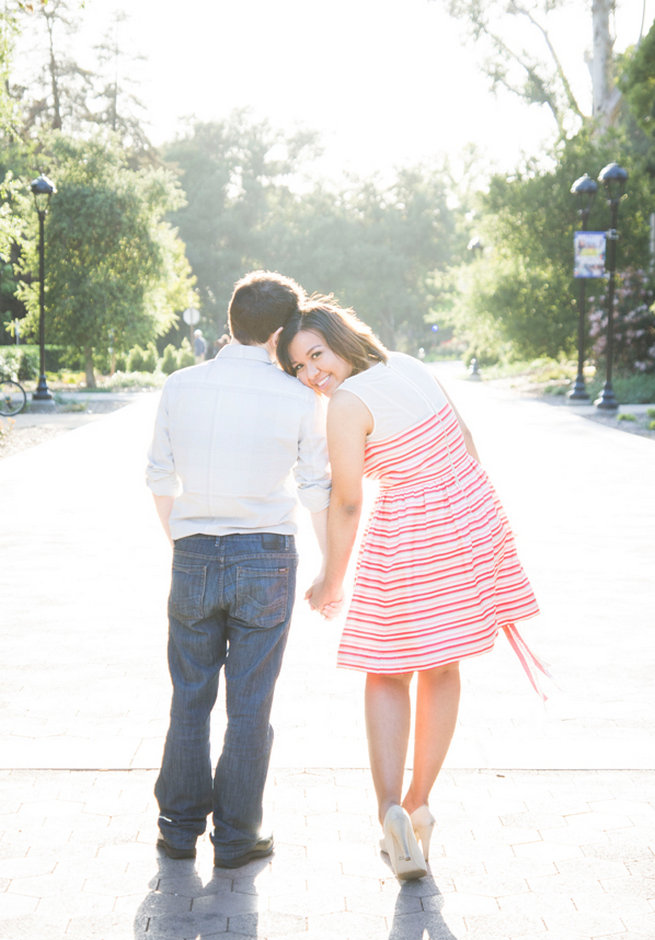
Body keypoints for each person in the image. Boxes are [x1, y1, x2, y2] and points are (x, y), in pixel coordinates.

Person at [277, 299, 544, 881]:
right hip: (467, 518)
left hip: (408, 533)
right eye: (299, 368)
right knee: (443, 668)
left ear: (341, 338)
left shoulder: (347, 405)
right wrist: (478, 528)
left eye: (315, 355)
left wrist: (332, 577)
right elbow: (467, 444)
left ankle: (390, 813)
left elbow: (348, 501)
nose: (311, 374)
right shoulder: (411, 365)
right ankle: (420, 803)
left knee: (387, 669)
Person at [146, 271, 331, 868]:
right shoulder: (300, 399)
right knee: (251, 704)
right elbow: (315, 489)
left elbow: (158, 476)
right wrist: (332, 568)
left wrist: (185, 539)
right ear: (279, 335)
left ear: (232, 321)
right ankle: (236, 836)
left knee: (189, 697)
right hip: (266, 557)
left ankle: (177, 831)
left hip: (195, 549)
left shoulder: (181, 385)